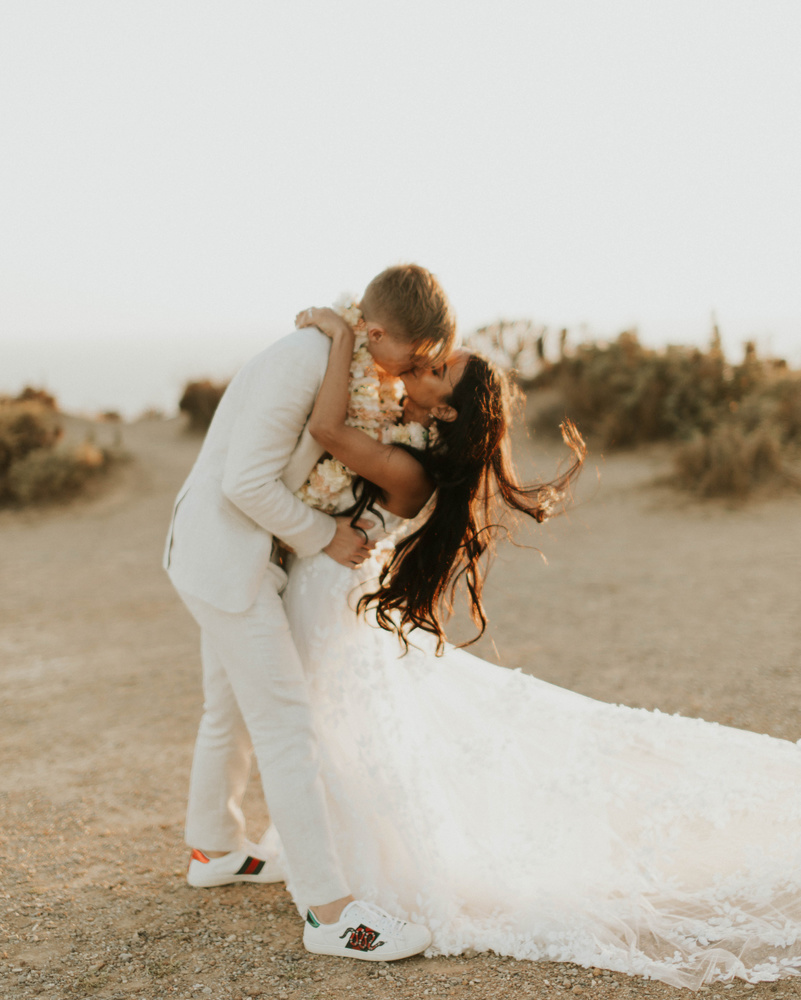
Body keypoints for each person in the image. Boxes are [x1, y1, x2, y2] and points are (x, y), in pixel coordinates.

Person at [282, 306, 801, 989]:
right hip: (330, 595)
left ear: (445, 414)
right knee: (329, 725)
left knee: (334, 722)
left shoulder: (409, 467)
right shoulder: (403, 438)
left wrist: (346, 335)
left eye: (437, 370)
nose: (422, 369)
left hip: (333, 601)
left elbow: (324, 429)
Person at [163, 265, 457, 962]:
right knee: (285, 724)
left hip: (239, 560)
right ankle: (329, 916)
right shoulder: (303, 360)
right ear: (376, 332)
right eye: (411, 359)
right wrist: (325, 537)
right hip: (223, 560)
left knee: (226, 709)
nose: (411, 372)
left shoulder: (342, 359)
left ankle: (214, 849)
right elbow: (244, 482)